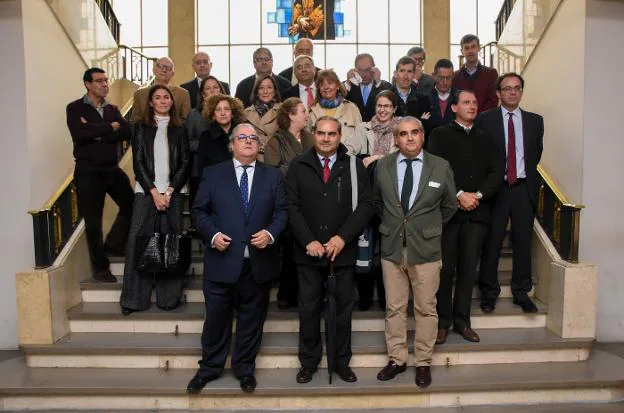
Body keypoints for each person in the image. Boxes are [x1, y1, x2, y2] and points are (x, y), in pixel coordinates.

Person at [187, 123, 287, 394]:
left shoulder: (273, 176)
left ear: (259, 145)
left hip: (257, 263)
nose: (248, 142)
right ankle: (209, 368)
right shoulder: (213, 174)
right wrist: (212, 235)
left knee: (251, 321)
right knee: (216, 320)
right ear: (231, 144)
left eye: (253, 138)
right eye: (242, 137)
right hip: (222, 261)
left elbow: (282, 213)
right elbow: (199, 211)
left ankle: (244, 370)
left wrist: (269, 233)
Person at [286, 116, 375, 384]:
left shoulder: (353, 165)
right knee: (309, 309)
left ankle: (340, 362)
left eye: (332, 134)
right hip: (308, 252)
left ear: (340, 136)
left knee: (342, 310)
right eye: (321, 133)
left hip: (342, 251)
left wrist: (342, 237)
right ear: (313, 134)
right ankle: (309, 362)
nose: (326, 139)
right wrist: (308, 241)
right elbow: (290, 206)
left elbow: (367, 204)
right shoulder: (298, 165)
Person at [374, 116, 457, 388]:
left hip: (427, 249)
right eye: (403, 134)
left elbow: (449, 205)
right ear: (395, 139)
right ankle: (397, 359)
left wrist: (428, 227)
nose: (409, 138)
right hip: (392, 247)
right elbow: (377, 203)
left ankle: (423, 361)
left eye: (414, 132)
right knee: (394, 307)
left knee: (425, 308)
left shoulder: (440, 166)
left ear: (422, 136)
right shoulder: (383, 166)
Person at [428, 90, 503, 345]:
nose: (472, 106)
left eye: (474, 102)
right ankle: (442, 323)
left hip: (478, 213)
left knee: (468, 271)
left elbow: (496, 171)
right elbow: (435, 170)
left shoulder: (487, 138)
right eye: (466, 102)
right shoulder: (439, 135)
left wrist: (478, 195)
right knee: (445, 270)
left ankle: (463, 323)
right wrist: (459, 194)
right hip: (448, 214)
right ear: (454, 107)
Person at [120, 84, 191, 314]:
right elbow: (138, 163)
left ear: (172, 101)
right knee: (136, 242)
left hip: (173, 194)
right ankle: (134, 300)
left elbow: (185, 164)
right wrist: (154, 192)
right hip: (146, 192)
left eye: (166, 97)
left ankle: (168, 299)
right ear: (150, 103)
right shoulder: (140, 128)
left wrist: (169, 192)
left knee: (170, 244)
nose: (162, 101)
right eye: (157, 97)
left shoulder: (180, 129)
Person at [477, 73, 544, 314]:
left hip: (523, 189)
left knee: (523, 242)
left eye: (517, 88)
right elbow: (482, 156)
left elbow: (535, 155)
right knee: (492, 241)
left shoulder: (536, 121)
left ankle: (521, 292)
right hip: (497, 190)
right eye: (507, 89)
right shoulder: (486, 120)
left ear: (522, 91)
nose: (512, 92)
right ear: (498, 93)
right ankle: (488, 292)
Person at [66, 67, 134, 283]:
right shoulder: (75, 108)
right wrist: (109, 128)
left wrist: (97, 131)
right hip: (88, 171)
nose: (105, 84)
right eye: (99, 81)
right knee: (93, 222)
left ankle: (114, 244)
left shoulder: (112, 108)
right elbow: (80, 133)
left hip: (111, 169)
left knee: (132, 204)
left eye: (106, 81)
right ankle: (101, 268)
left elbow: (126, 131)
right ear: (87, 84)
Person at [347, 90, 402, 311]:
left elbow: (407, 154)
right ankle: (365, 296)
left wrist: (379, 157)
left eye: (387, 106)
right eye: (379, 105)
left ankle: (386, 297)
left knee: (387, 248)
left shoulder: (402, 128)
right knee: (365, 245)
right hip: (367, 192)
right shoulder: (363, 127)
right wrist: (364, 159)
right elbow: (348, 152)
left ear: (394, 109)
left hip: (392, 194)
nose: (382, 110)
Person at [264, 97, 314, 310]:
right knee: (289, 251)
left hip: (311, 203)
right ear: (291, 115)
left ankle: (309, 295)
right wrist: (302, 171)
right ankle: (287, 294)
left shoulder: (311, 138)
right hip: (286, 202)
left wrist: (293, 168)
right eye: (303, 111)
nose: (307, 115)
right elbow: (273, 172)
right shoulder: (276, 140)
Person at [183, 76, 228, 209]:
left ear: (221, 90)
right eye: (208, 88)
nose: (212, 91)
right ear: (203, 94)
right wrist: (207, 144)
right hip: (199, 170)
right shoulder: (194, 115)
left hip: (225, 168)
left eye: (215, 87)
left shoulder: (230, 113)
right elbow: (186, 143)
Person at [309, 69, 362, 147]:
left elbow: (360, 136)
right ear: (319, 89)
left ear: (337, 85)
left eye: (330, 83)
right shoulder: (311, 112)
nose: (326, 87)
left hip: (347, 156)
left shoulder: (351, 108)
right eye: (322, 84)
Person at [131, 57, 191, 123]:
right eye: (160, 66)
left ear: (173, 73)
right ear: (153, 70)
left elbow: (187, 120)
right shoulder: (140, 94)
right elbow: (135, 120)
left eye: (168, 68)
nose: (164, 70)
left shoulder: (182, 94)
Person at [196, 94, 246, 173]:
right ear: (213, 115)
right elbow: (201, 168)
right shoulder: (206, 137)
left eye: (226, 109)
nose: (223, 113)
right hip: (215, 182)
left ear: (232, 113)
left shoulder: (243, 132)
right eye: (218, 110)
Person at [452, 34, 498, 113]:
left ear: (478, 48)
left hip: (484, 121)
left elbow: (493, 100)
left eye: (473, 47)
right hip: (462, 121)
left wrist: (478, 117)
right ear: (462, 51)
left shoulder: (491, 73)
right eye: (466, 48)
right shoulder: (455, 76)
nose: (470, 51)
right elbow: (454, 100)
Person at [244, 75, 282, 161]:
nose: (265, 91)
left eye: (269, 87)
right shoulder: (246, 113)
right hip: (251, 159)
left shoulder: (283, 111)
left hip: (275, 159)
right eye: (261, 88)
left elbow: (285, 138)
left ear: (275, 91)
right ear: (257, 92)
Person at [344, 53, 392, 122]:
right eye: (360, 70)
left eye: (367, 70)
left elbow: (390, 104)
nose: (364, 75)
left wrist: (378, 82)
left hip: (378, 129)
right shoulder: (348, 85)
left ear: (374, 69)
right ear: (355, 70)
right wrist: (348, 83)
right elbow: (340, 103)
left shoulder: (385, 86)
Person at [428, 59, 457, 130]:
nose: (445, 82)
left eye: (448, 78)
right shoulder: (424, 97)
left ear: (453, 76)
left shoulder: (460, 97)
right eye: (441, 78)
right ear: (433, 76)